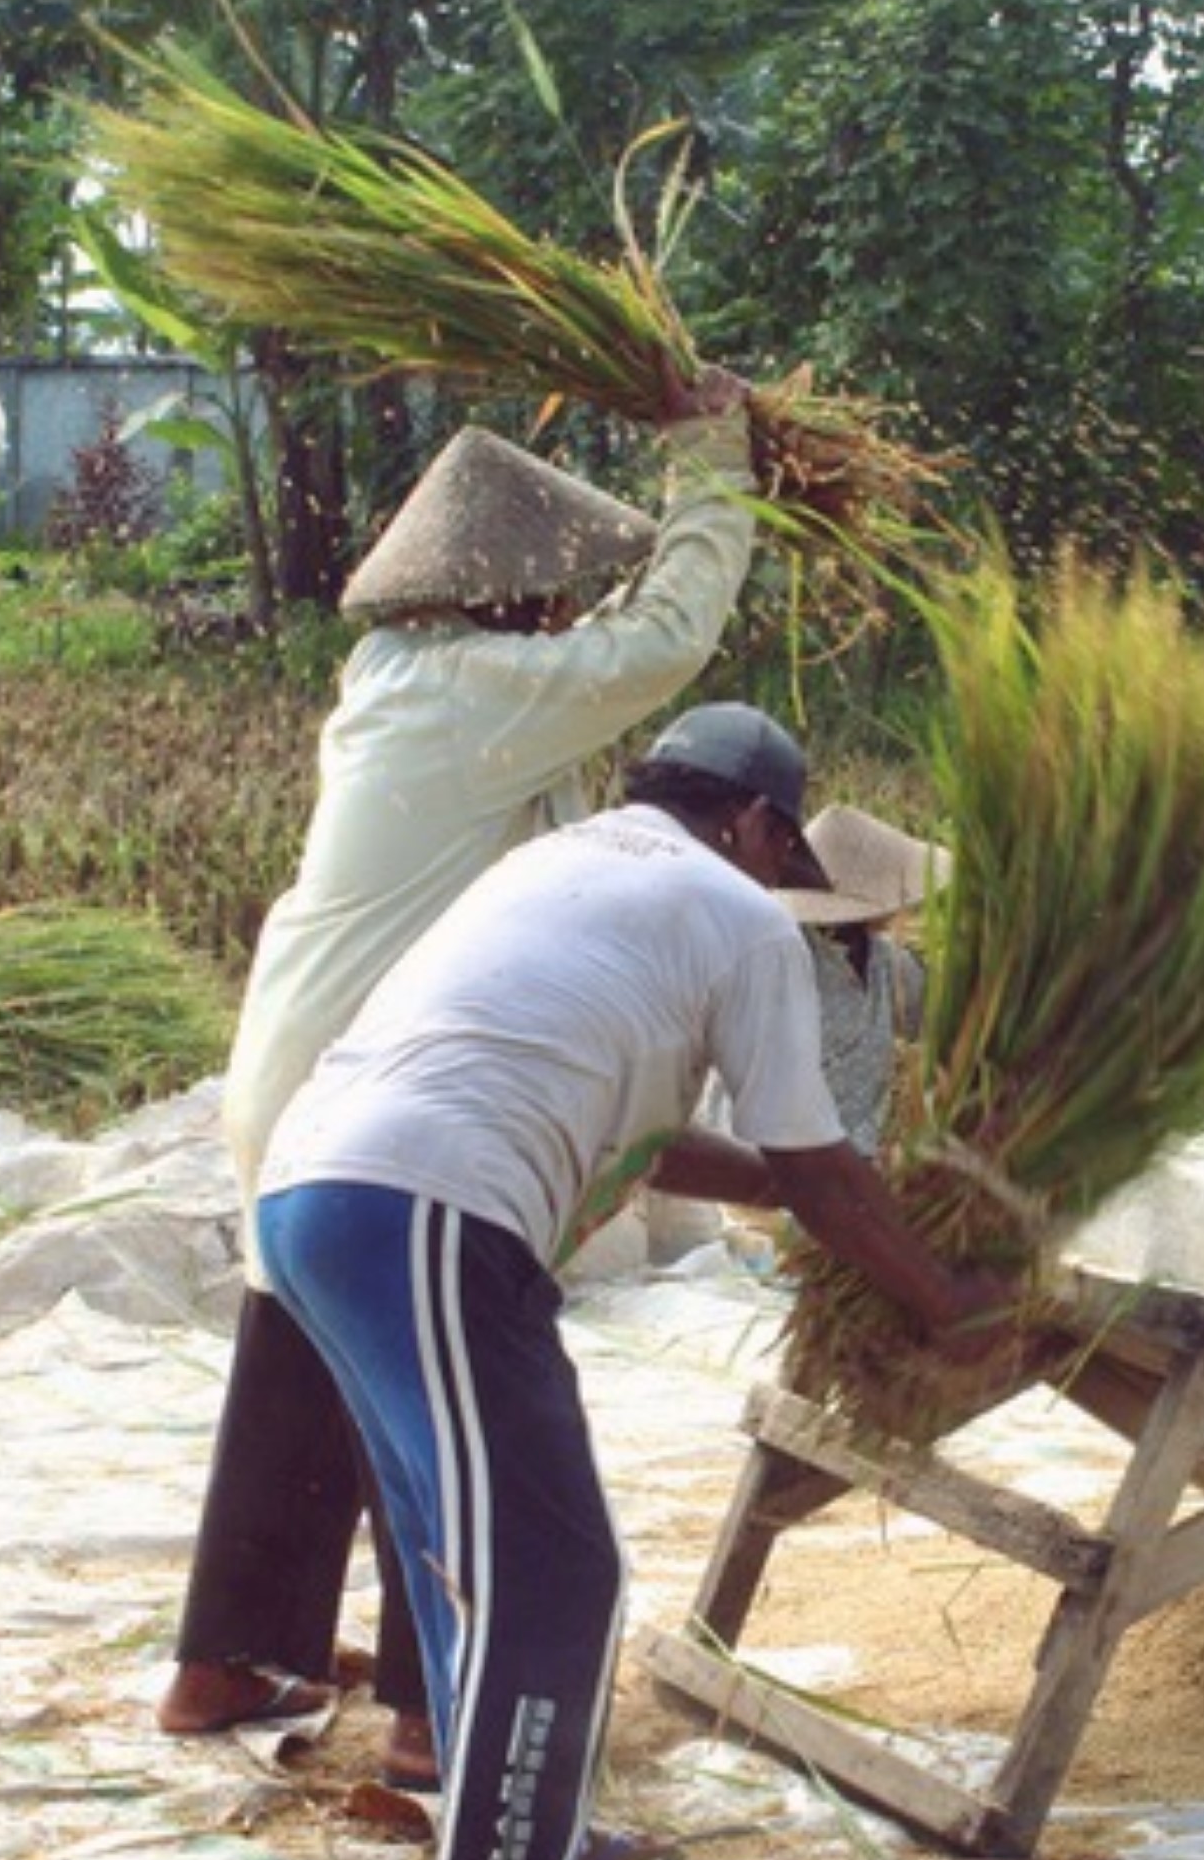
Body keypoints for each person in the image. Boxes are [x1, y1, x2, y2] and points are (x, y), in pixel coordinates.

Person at [254, 703, 1014, 1860]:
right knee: (559, 1572)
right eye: (791, 846)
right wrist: (944, 1293)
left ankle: (507, 1832)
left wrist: (848, 1208)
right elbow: (816, 1165)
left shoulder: (562, 866)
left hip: (326, 1192)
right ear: (765, 823)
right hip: (433, 1209)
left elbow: (667, 1147)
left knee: (458, 1548)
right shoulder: (736, 913)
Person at [159, 374, 758, 1758]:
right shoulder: (474, 694)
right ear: (513, 604)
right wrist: (711, 463)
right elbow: (660, 641)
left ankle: (228, 1665)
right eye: (552, 600)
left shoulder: (414, 677)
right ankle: (441, 1711)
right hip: (380, 1084)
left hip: (317, 1055)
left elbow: (604, 663)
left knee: (305, 1361)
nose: (565, 620)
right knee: (444, 1385)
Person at [778, 802, 946, 1153]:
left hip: (847, 1163)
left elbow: (939, 1020)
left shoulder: (887, 963)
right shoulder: (778, 964)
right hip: (760, 1171)